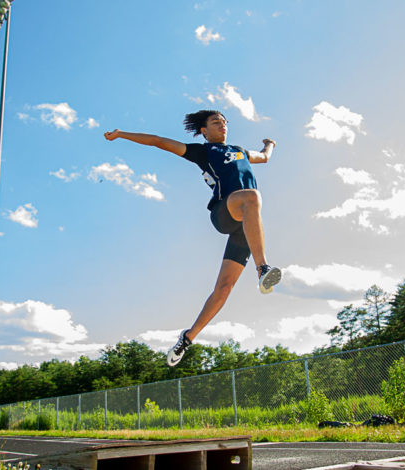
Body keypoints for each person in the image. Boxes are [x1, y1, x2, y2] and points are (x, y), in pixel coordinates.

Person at [104, 110, 281, 366]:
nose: (222, 126)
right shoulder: (204, 152)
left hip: (245, 228)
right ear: (204, 131)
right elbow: (158, 141)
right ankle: (263, 268)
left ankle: (187, 338)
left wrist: (269, 144)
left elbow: (264, 158)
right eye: (215, 123)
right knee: (252, 196)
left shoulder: (240, 150)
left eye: (224, 122)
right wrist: (121, 134)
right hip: (224, 213)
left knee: (224, 288)